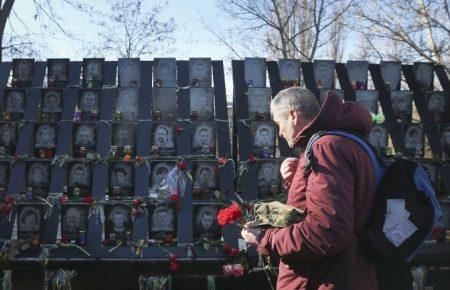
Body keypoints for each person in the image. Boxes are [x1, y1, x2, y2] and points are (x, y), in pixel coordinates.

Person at [241, 88, 378, 290]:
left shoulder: (325, 147)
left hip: (325, 278)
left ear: (293, 115)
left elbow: (326, 231)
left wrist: (264, 238)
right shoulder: (348, 141)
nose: (279, 132)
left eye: (279, 124)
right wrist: (299, 177)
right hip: (350, 272)